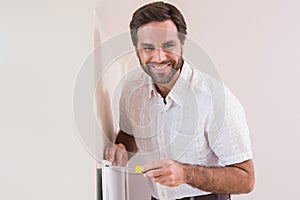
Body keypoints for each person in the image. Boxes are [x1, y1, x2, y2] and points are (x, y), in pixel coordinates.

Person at [104, 2, 254, 200]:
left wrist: (185, 173)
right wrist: (122, 149)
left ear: (182, 43)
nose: (159, 57)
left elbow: (246, 179)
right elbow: (129, 134)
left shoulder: (216, 99)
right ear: (136, 49)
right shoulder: (131, 90)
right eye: (148, 48)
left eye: (168, 46)